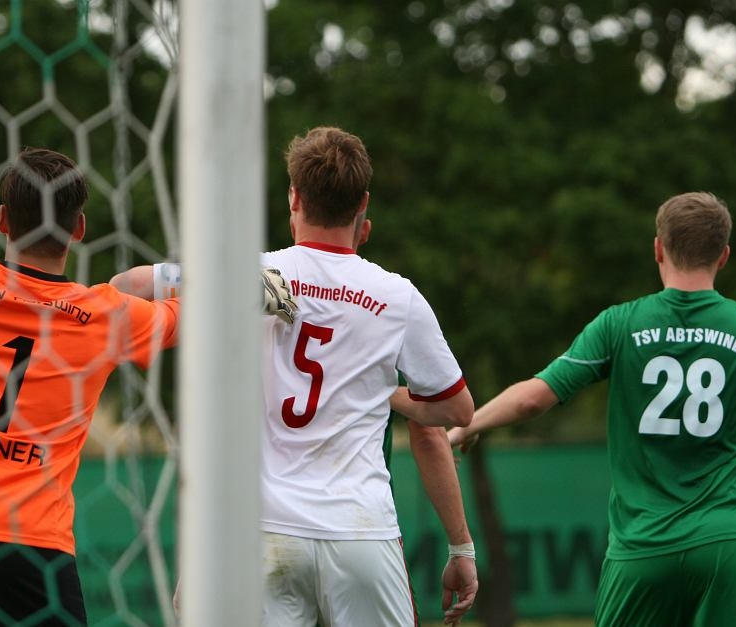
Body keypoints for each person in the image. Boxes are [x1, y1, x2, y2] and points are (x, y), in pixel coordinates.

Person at [110, 128, 479, 625]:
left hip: (261, 532)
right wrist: (392, 397)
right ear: (363, 205)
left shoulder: (255, 274)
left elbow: (124, 287)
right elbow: (458, 411)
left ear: (294, 197)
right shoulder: (398, 297)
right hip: (359, 530)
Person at [0, 17, 181, 626]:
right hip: (34, 554)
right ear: (78, 227)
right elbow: (191, 317)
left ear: (1, 219)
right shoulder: (107, 316)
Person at [448, 191, 736, 627]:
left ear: (658, 248)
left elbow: (533, 398)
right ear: (724, 256)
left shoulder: (619, 324)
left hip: (643, 544)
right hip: (728, 544)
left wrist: (469, 425)